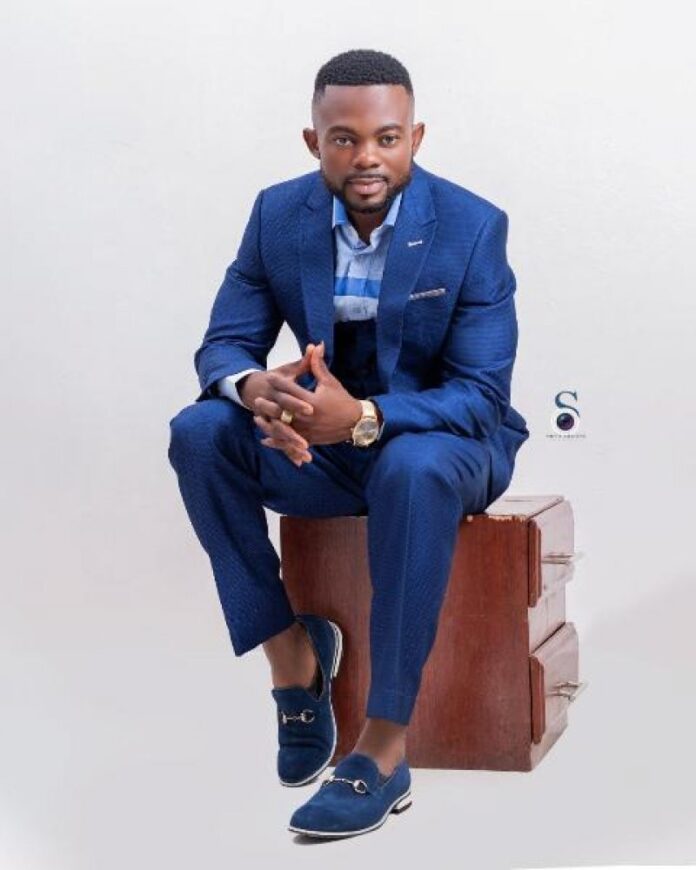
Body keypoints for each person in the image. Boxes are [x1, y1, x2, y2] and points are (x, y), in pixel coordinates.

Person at [168, 48, 530, 839]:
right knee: (199, 432)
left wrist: (362, 416)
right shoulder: (277, 215)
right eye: (345, 138)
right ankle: (293, 662)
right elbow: (224, 345)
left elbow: (480, 397)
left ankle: (384, 749)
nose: (367, 156)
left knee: (410, 467)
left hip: (442, 442)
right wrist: (255, 390)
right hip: (322, 447)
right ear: (314, 141)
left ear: (415, 138)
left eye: (387, 138)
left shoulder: (471, 226)